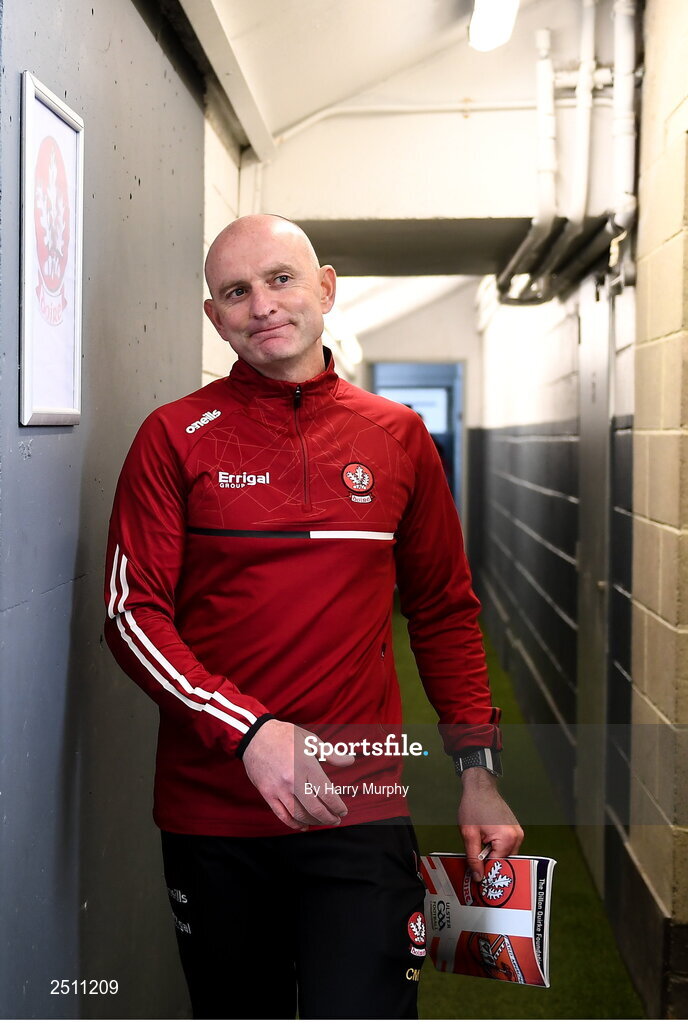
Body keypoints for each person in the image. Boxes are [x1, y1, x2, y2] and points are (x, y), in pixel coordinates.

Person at [104, 214, 523, 1019]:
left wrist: (480, 774)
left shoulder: (399, 438)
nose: (261, 305)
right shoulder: (171, 439)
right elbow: (132, 615)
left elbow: (442, 610)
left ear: (325, 288)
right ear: (214, 316)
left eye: (280, 279)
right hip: (217, 813)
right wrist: (253, 733)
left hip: (361, 806)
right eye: (235, 291)